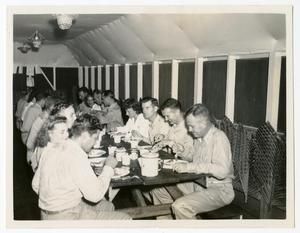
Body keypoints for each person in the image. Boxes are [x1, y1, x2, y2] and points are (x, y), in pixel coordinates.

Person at [32, 114, 131, 220]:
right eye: (95, 138)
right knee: (125, 219)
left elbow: (35, 184)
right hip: (66, 218)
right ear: (84, 136)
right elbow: (95, 195)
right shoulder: (76, 155)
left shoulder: (51, 148)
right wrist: (108, 167)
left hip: (46, 215)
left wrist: (59, 200)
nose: (96, 143)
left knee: (107, 206)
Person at [171, 104, 235, 219]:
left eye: (191, 126)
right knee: (160, 189)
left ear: (204, 124)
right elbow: (194, 159)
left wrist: (189, 167)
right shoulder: (199, 138)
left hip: (219, 189)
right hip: (199, 183)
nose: (189, 130)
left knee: (180, 206)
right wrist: (181, 151)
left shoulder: (219, 138)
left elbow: (222, 171)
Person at [31, 102, 77, 171]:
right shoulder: (52, 140)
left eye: (75, 114)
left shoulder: (62, 134)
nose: (75, 117)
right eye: (71, 115)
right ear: (59, 117)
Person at [26, 96, 57, 166]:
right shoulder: (44, 117)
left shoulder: (45, 114)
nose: (55, 108)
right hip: (32, 153)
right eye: (55, 106)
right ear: (51, 106)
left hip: (32, 149)